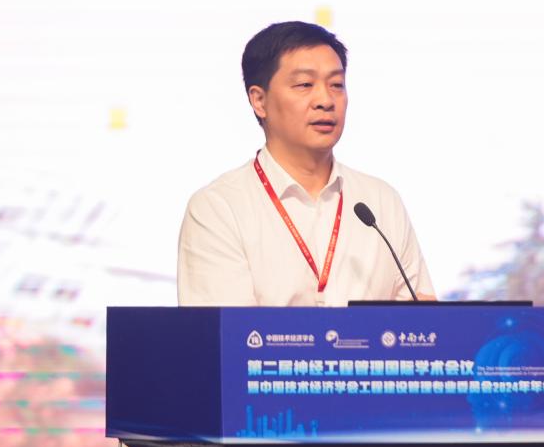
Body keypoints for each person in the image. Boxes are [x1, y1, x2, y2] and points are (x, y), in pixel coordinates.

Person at [177, 21, 435, 306]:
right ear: (259, 101)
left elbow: (422, 319)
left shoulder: (380, 202)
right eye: (304, 85)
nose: (325, 100)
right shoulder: (219, 208)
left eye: (336, 85)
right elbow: (229, 330)